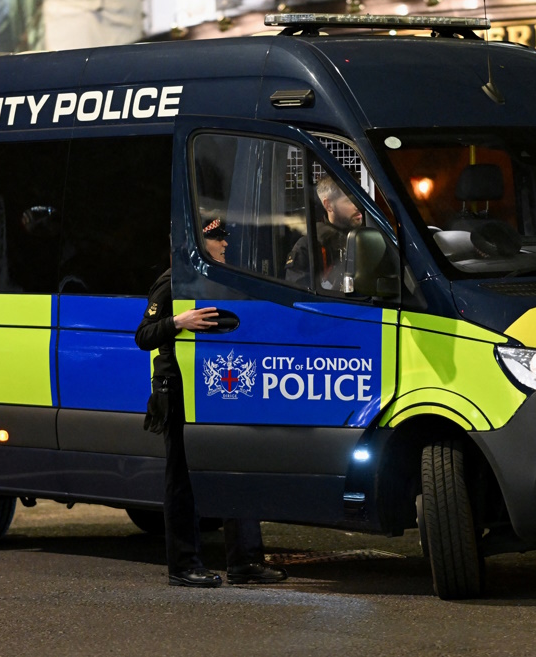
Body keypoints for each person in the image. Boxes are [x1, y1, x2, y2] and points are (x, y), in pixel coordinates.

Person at [135, 215, 287, 588]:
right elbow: (143, 336)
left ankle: (246, 561)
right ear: (199, 245)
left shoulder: (221, 280)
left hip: (218, 389)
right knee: (181, 480)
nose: (224, 245)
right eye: (217, 240)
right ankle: (183, 565)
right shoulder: (173, 282)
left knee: (237, 469)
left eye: (223, 239)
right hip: (179, 390)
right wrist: (178, 321)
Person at [285, 175, 364, 289]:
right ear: (329, 205)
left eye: (359, 199)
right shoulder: (308, 246)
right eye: (349, 200)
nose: (358, 206)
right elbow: (299, 297)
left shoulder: (368, 238)